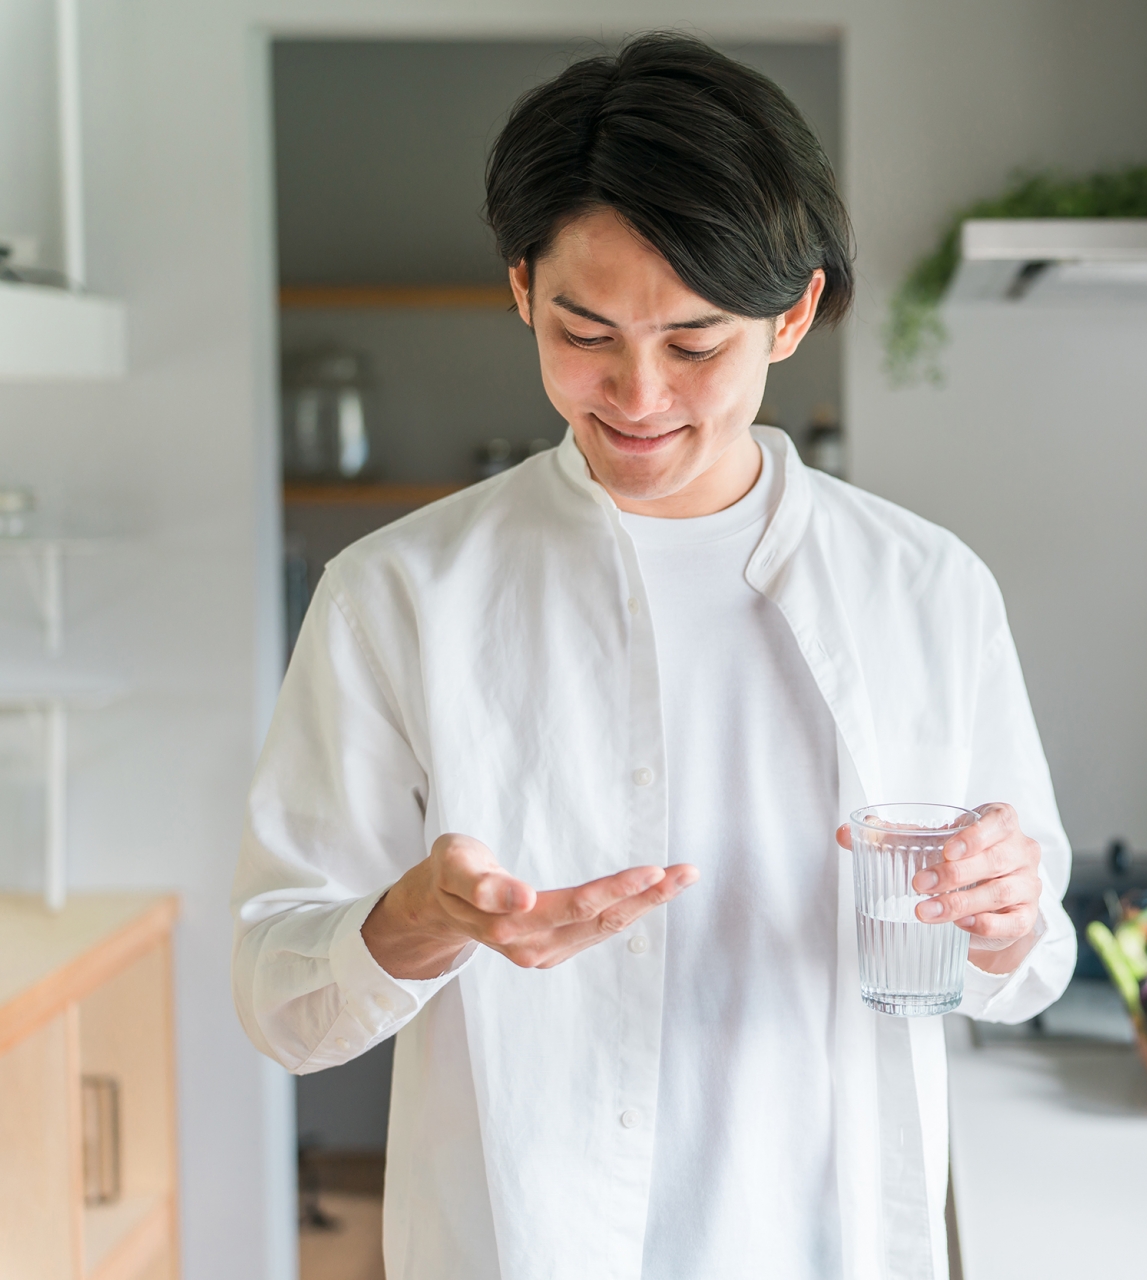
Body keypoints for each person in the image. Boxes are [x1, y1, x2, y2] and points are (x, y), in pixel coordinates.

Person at [231, 34, 1072, 1280]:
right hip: (520, 1240)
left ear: (790, 317)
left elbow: (1031, 960)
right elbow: (280, 998)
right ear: (522, 288)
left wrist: (1002, 914)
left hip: (828, 1242)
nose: (635, 392)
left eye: (694, 343)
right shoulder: (397, 596)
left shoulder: (927, 589)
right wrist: (417, 918)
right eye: (586, 331)